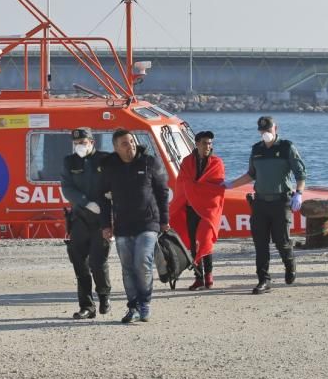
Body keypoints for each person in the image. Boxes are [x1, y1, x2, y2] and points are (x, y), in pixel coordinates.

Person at [226, 115, 306, 294]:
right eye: (262, 130)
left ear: (275, 128)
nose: (265, 133)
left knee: (281, 241)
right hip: (260, 202)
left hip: (281, 202)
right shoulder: (256, 149)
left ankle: (289, 264)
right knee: (260, 244)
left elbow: (300, 174)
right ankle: (264, 280)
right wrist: (229, 184)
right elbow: (251, 174)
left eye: (268, 130)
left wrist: (299, 194)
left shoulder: (287, 147)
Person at [98, 129, 170, 323]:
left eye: (131, 141)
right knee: (128, 267)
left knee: (142, 262)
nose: (129, 145)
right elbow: (102, 198)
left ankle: (145, 302)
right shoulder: (110, 167)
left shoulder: (150, 163)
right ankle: (134, 306)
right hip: (122, 225)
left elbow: (163, 192)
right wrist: (106, 225)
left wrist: (164, 220)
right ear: (116, 148)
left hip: (148, 223)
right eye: (124, 143)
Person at [60, 127, 112, 319]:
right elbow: (67, 187)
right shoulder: (70, 161)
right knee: (80, 265)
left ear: (92, 143)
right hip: (79, 219)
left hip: (101, 220)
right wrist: (86, 202)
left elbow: (116, 179)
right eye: (76, 143)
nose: (79, 146)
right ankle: (86, 306)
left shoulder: (105, 159)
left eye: (83, 143)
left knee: (99, 262)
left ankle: (104, 296)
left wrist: (111, 196)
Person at [170, 130, 226, 290]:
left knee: (206, 240)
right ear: (196, 144)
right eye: (204, 143)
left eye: (210, 143)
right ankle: (199, 277)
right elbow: (182, 183)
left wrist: (196, 187)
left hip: (208, 209)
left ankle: (209, 275)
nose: (207, 146)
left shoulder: (217, 162)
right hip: (191, 208)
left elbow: (216, 186)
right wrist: (195, 188)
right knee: (194, 245)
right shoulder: (187, 162)